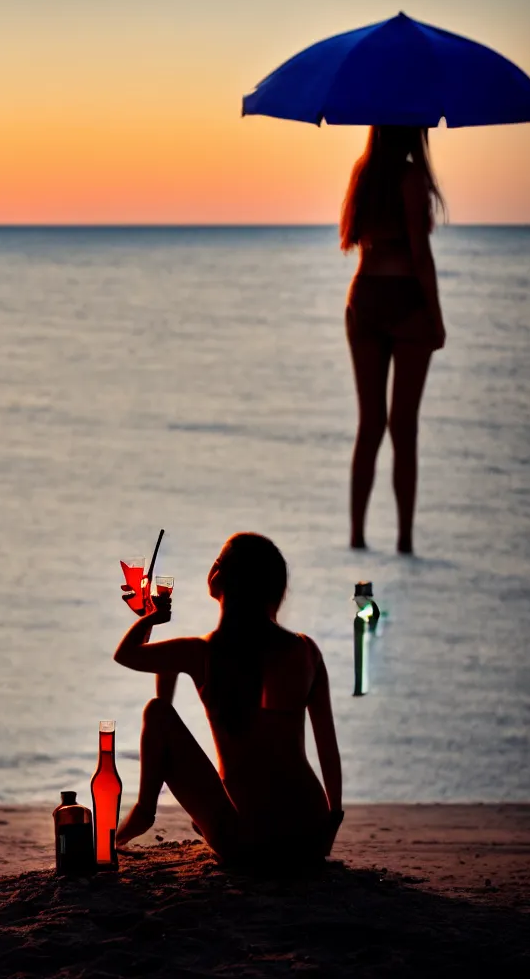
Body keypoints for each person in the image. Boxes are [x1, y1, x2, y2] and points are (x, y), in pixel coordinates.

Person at [114, 532, 343, 867]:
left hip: (251, 843)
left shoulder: (203, 652)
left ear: (222, 578)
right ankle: (187, 818)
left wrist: (150, 618)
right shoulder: (305, 650)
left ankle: (144, 812)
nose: (213, 567)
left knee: (158, 713)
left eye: (218, 562)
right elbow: (327, 745)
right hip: (309, 835)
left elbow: (127, 655)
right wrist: (331, 820)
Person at [341, 125, 447, 555]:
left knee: (370, 425)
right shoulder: (410, 178)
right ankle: (404, 539)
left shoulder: (363, 173)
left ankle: (357, 536)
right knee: (404, 427)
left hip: (364, 295)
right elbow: (420, 255)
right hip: (404, 300)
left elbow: (354, 239)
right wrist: (436, 320)